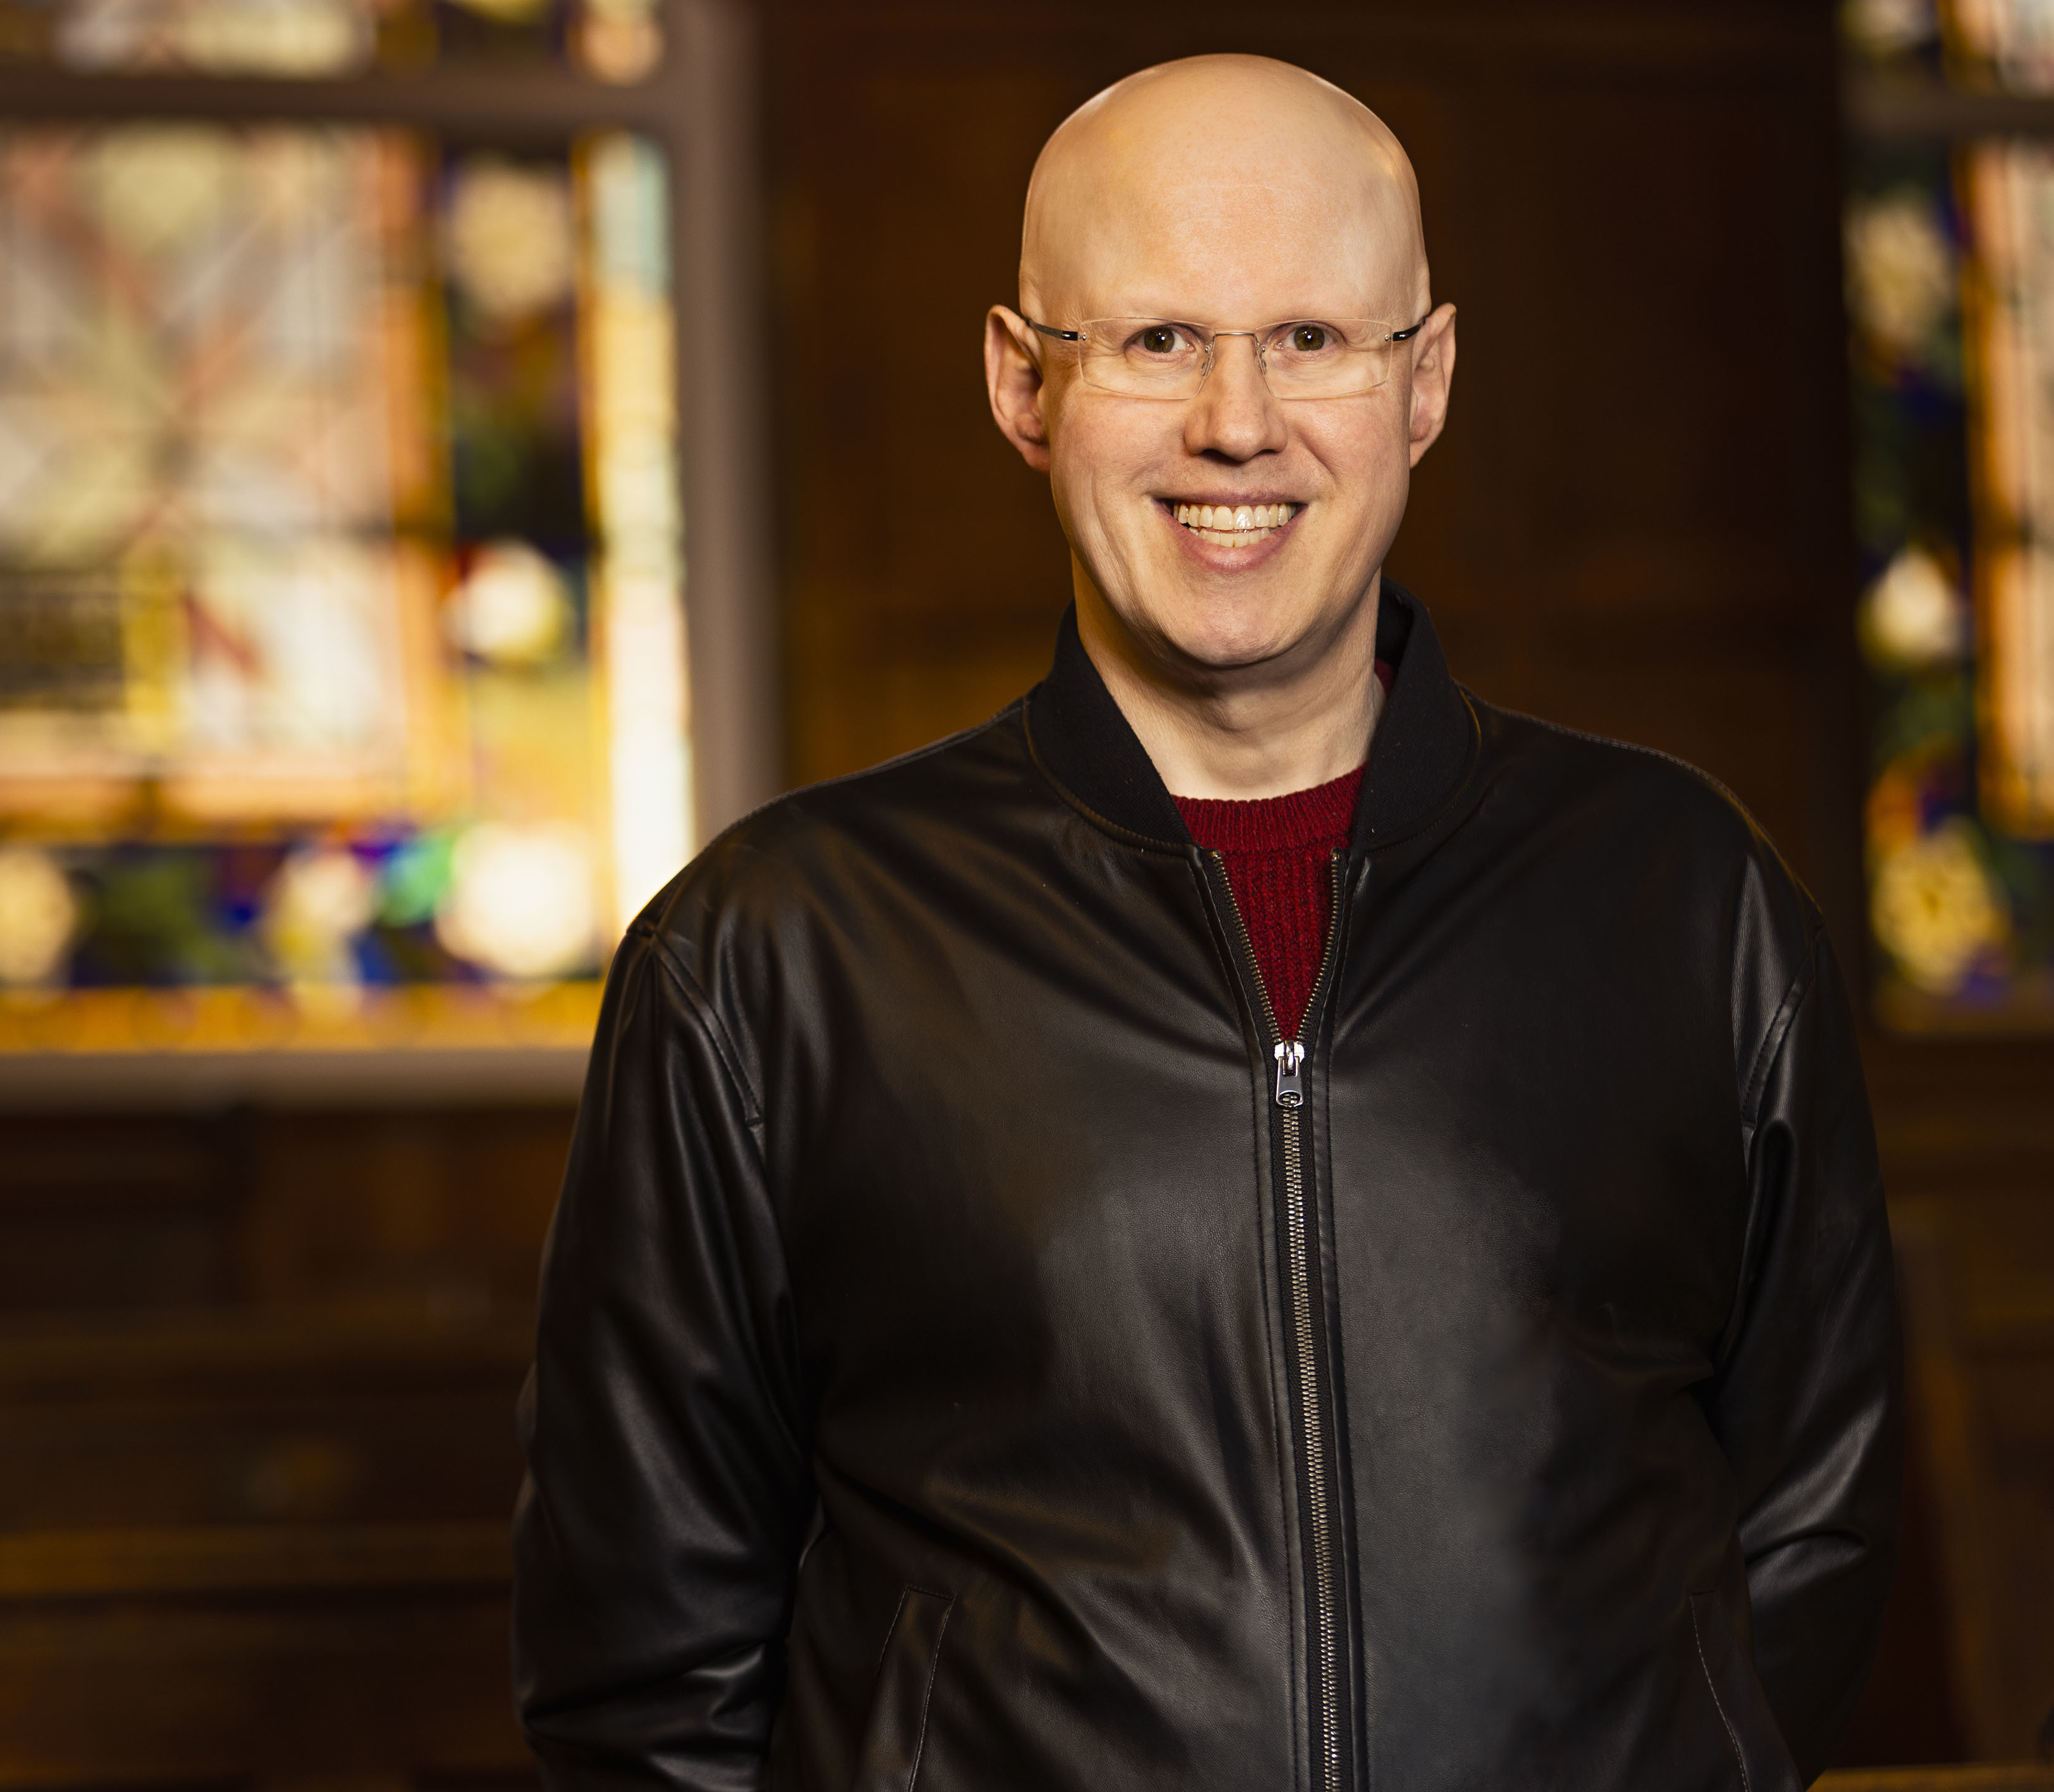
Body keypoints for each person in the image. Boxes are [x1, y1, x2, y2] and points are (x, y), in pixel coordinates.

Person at [512, 53, 1898, 1792]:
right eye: (1155, 339)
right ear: (1024, 385)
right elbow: (644, 1662)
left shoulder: (1684, 898)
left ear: (1427, 382)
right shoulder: (773, 955)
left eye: (1314, 338)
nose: (1237, 421)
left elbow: (1809, 1528)